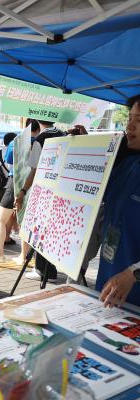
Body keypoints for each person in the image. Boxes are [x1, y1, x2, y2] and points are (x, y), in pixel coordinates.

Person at [97, 95, 140, 308]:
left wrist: (134, 273)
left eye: (139, 120)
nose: (129, 125)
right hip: (107, 291)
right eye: (129, 118)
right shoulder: (127, 166)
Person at [0, 120, 39, 266]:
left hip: (16, 182)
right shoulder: (42, 143)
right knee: (25, 221)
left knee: (0, 219)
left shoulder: (18, 141)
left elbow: (9, 160)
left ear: (26, 126)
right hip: (34, 184)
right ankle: (23, 256)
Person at [16, 119, 65, 283]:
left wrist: (23, 191)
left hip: (44, 192)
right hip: (61, 192)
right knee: (51, 232)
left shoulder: (41, 140)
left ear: (38, 119)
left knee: (40, 230)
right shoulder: (63, 134)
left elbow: (34, 171)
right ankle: (50, 269)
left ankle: (43, 271)